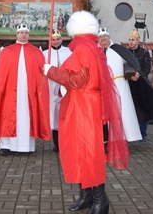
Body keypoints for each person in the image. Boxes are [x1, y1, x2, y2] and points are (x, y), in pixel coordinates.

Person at [43, 11, 128, 214]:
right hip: (85, 103)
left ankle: (100, 200)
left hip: (83, 106)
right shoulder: (92, 47)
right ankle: (87, 196)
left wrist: (50, 71)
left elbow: (76, 80)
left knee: (89, 151)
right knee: (81, 149)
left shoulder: (82, 48)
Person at [0, 24, 50, 156]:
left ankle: (25, 146)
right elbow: (0, 72)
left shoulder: (36, 52)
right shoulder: (7, 52)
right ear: (17, 34)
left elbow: (41, 73)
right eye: (21, 32)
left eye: (26, 32)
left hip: (28, 92)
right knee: (7, 115)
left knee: (26, 115)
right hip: (9, 91)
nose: (24, 34)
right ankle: (5, 146)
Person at [98, 28, 142, 142]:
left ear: (109, 37)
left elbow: (131, 62)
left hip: (120, 84)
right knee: (109, 112)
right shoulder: (97, 52)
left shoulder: (118, 49)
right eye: (100, 37)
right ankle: (111, 138)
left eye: (105, 36)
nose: (103, 39)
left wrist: (134, 72)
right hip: (105, 86)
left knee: (124, 110)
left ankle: (127, 136)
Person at [43, 29, 71, 151]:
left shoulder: (69, 52)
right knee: (53, 114)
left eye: (57, 39)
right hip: (50, 85)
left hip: (65, 85)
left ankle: (67, 142)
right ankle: (57, 143)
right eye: (53, 40)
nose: (55, 41)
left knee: (65, 113)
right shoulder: (45, 53)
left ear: (62, 39)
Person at [128, 30, 152, 141]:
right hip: (130, 85)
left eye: (133, 40)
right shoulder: (126, 52)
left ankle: (143, 133)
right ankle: (132, 133)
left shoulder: (144, 53)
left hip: (142, 84)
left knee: (142, 108)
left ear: (138, 41)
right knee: (131, 109)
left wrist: (138, 75)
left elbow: (147, 68)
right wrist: (130, 76)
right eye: (129, 40)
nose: (130, 42)